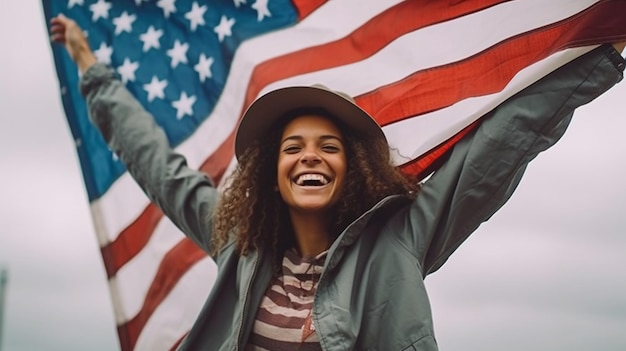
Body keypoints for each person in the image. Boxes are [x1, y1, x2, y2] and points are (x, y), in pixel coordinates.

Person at [50, 14, 625, 351]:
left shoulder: (400, 237)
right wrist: (91, 71)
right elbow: (158, 166)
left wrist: (602, 47)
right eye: (293, 148)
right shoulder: (237, 242)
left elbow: (502, 144)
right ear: (272, 174)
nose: (311, 158)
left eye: (330, 148)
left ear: (353, 168)